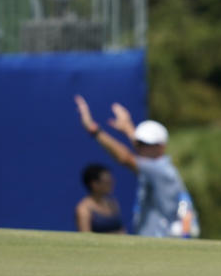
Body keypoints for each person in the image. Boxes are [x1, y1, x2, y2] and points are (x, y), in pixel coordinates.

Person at [74, 95, 200, 239]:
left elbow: (125, 158)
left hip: (159, 240)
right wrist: (127, 127)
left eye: (147, 144)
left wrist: (94, 129)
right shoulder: (157, 166)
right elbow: (141, 153)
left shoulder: (159, 170)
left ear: (161, 147)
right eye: (140, 143)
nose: (141, 148)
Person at [75, 163, 126, 234]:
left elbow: (122, 231)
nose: (111, 185)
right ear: (94, 184)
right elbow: (85, 237)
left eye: (111, 181)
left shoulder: (112, 203)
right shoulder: (83, 209)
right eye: (107, 182)